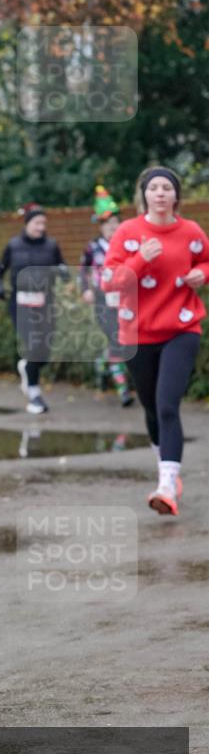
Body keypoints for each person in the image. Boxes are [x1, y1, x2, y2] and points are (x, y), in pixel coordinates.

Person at [101, 166, 209, 515]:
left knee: (167, 405)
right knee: (150, 406)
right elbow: (110, 282)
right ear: (144, 195)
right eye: (154, 188)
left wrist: (202, 274)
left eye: (167, 188)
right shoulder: (128, 233)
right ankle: (166, 467)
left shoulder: (191, 231)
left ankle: (166, 486)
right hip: (137, 332)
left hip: (181, 328)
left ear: (176, 196)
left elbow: (207, 259)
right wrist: (140, 260)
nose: (161, 193)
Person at [0, 204, 68, 414]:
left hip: (45, 303)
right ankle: (34, 394)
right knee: (33, 344)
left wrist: (63, 272)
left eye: (44, 223)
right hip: (21, 304)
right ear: (27, 224)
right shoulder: (14, 245)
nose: (41, 227)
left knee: (45, 349)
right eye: (37, 222)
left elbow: (63, 267)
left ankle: (28, 368)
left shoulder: (51, 245)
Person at [79, 187, 134, 406]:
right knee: (117, 340)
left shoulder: (128, 246)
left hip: (126, 301)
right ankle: (123, 390)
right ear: (101, 226)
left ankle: (102, 362)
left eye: (116, 223)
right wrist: (86, 289)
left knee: (125, 342)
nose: (113, 228)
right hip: (103, 301)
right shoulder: (93, 248)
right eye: (109, 224)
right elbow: (82, 271)